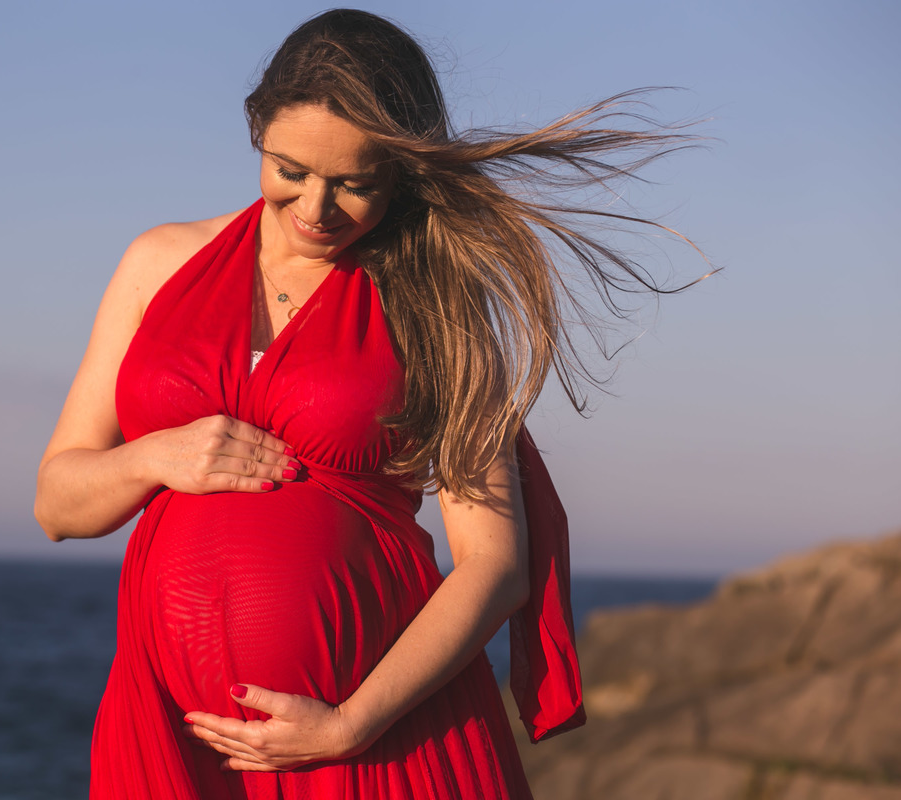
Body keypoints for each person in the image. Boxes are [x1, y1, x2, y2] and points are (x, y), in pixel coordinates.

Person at [35, 9, 701, 799]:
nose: (317, 208)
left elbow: (494, 565)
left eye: (355, 184)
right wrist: (155, 457)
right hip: (176, 736)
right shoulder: (158, 264)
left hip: (375, 746)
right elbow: (57, 505)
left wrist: (347, 726)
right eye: (291, 171)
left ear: (401, 175)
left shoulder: (435, 303)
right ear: (257, 132)